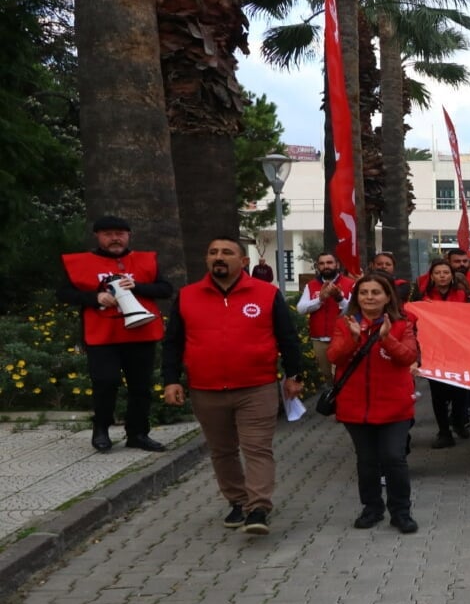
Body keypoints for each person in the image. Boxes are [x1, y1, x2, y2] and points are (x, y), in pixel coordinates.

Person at [162, 237, 304, 535]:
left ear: (244, 261)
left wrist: (294, 375)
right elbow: (173, 342)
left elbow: (287, 336)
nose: (219, 257)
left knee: (257, 449)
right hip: (206, 389)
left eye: (227, 252)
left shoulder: (266, 294)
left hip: (257, 387)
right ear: (206, 260)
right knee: (222, 450)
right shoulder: (188, 296)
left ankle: (258, 508)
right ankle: (238, 502)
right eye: (213, 252)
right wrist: (171, 380)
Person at [58, 216, 174, 452]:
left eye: (120, 233)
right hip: (102, 335)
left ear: (129, 235)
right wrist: (94, 297)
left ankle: (138, 433)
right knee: (105, 383)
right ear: (97, 236)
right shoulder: (81, 262)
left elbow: (165, 289)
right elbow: (63, 293)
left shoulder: (145, 260)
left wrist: (138, 286)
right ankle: (101, 429)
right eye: (108, 234)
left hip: (140, 333)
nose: (115, 238)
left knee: (140, 387)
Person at [329, 274, 420, 534]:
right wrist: (353, 339)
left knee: (394, 458)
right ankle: (372, 508)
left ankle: (401, 512)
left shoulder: (403, 324)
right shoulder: (344, 324)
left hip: (395, 407)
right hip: (355, 407)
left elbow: (409, 357)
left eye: (376, 292)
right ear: (357, 297)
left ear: (388, 296)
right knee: (367, 461)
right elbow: (334, 355)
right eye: (364, 292)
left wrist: (387, 338)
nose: (369, 297)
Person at [419, 258, 470, 448]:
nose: (442, 276)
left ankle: (458, 421)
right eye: (438, 273)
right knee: (438, 395)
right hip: (434, 351)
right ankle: (444, 432)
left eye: (446, 273)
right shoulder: (423, 296)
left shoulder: (462, 295)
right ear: (432, 276)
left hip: (458, 350)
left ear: (452, 275)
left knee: (460, 392)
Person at [297, 252, 354, 382]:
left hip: (342, 337)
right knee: (327, 376)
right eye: (322, 264)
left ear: (337, 265)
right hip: (319, 338)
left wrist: (339, 298)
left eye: (329, 263)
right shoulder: (311, 285)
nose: (325, 266)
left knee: (342, 375)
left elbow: (352, 310)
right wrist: (320, 299)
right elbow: (301, 309)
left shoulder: (350, 284)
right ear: (318, 267)